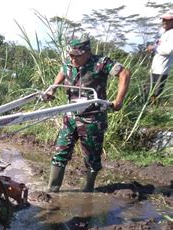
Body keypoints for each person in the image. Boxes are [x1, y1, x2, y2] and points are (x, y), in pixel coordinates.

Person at [45, 37, 131, 193]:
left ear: (87, 53)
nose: (73, 58)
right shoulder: (69, 61)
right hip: (71, 116)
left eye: (77, 55)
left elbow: (124, 73)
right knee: (60, 152)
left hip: (92, 118)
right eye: (71, 55)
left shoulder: (101, 63)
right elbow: (62, 71)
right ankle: (52, 191)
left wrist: (119, 100)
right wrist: (53, 89)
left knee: (92, 157)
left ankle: (88, 191)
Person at [146, 11, 173, 102]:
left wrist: (154, 48)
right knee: (147, 91)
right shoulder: (164, 33)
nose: (164, 22)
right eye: (163, 20)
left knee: (155, 94)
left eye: (167, 20)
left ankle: (153, 113)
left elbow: (169, 50)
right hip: (155, 68)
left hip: (162, 69)